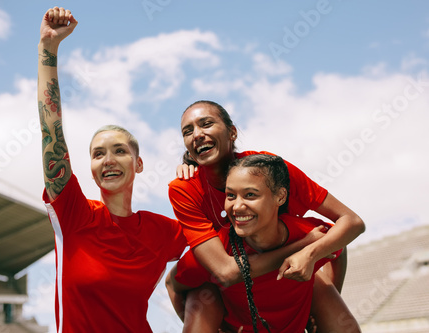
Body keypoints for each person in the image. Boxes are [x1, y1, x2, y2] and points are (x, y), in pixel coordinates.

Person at [37, 7, 187, 332]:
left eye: (119, 151)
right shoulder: (74, 214)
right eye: (98, 154)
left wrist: (196, 175)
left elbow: (224, 242)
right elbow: (52, 130)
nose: (108, 160)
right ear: (90, 168)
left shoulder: (164, 232)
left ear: (139, 163)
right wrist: (48, 49)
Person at [166, 100, 365, 332]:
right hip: (229, 287)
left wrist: (310, 259)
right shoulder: (185, 188)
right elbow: (223, 272)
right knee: (203, 295)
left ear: (232, 132)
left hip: (285, 280)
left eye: (206, 124)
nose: (197, 135)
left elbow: (348, 226)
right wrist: (304, 245)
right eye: (187, 131)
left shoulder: (270, 170)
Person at [168, 154, 347, 332]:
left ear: (280, 197)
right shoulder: (219, 252)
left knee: (345, 325)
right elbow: (172, 283)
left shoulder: (308, 233)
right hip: (238, 324)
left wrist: (320, 302)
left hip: (293, 322)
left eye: (250, 195)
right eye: (230, 195)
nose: (237, 206)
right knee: (201, 297)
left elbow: (339, 244)